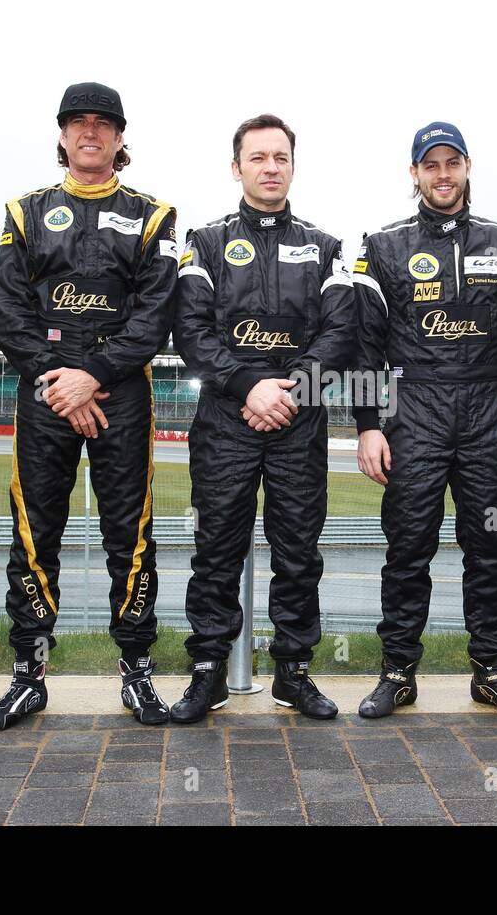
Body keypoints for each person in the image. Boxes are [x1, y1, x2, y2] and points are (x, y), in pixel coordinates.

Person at [0, 82, 178, 729]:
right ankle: (28, 676)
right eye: (78, 122)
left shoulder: (156, 216)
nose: (90, 132)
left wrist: (90, 376)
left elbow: (154, 317)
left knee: (131, 536)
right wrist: (57, 382)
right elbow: (9, 313)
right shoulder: (25, 211)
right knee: (36, 534)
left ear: (121, 138)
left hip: (121, 391)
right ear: (62, 134)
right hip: (45, 394)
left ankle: (138, 673)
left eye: (104, 123)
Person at [352, 121, 497, 719]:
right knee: (408, 547)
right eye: (429, 164)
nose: (441, 174)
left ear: (466, 168)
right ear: (414, 173)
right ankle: (398, 672)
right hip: (413, 413)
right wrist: (368, 425)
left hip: (488, 411)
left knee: (489, 547)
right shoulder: (383, 245)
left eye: (451, 163)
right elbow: (365, 345)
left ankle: (491, 671)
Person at [170, 114, 354, 723]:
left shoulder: (327, 246)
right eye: (258, 157)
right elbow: (191, 331)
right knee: (216, 549)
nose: (270, 167)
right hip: (226, 417)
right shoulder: (204, 241)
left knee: (298, 551)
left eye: (281, 157)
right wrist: (251, 386)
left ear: (293, 165)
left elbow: (340, 332)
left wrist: (290, 392)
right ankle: (207, 675)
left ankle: (294, 674)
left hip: (300, 419)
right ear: (237, 167)